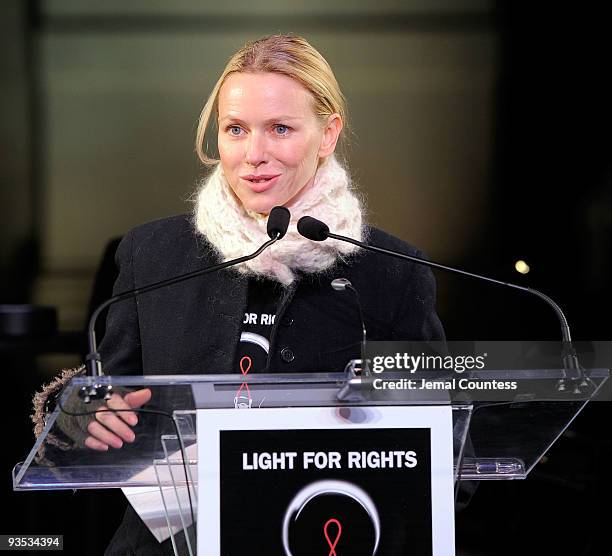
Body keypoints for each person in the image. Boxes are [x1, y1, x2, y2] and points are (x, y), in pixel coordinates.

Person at [36, 34, 445, 554]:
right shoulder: (153, 254)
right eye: (235, 129)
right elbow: (93, 410)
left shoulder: (392, 271)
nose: (254, 154)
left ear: (327, 134)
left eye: (280, 129)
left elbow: (443, 442)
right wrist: (81, 417)